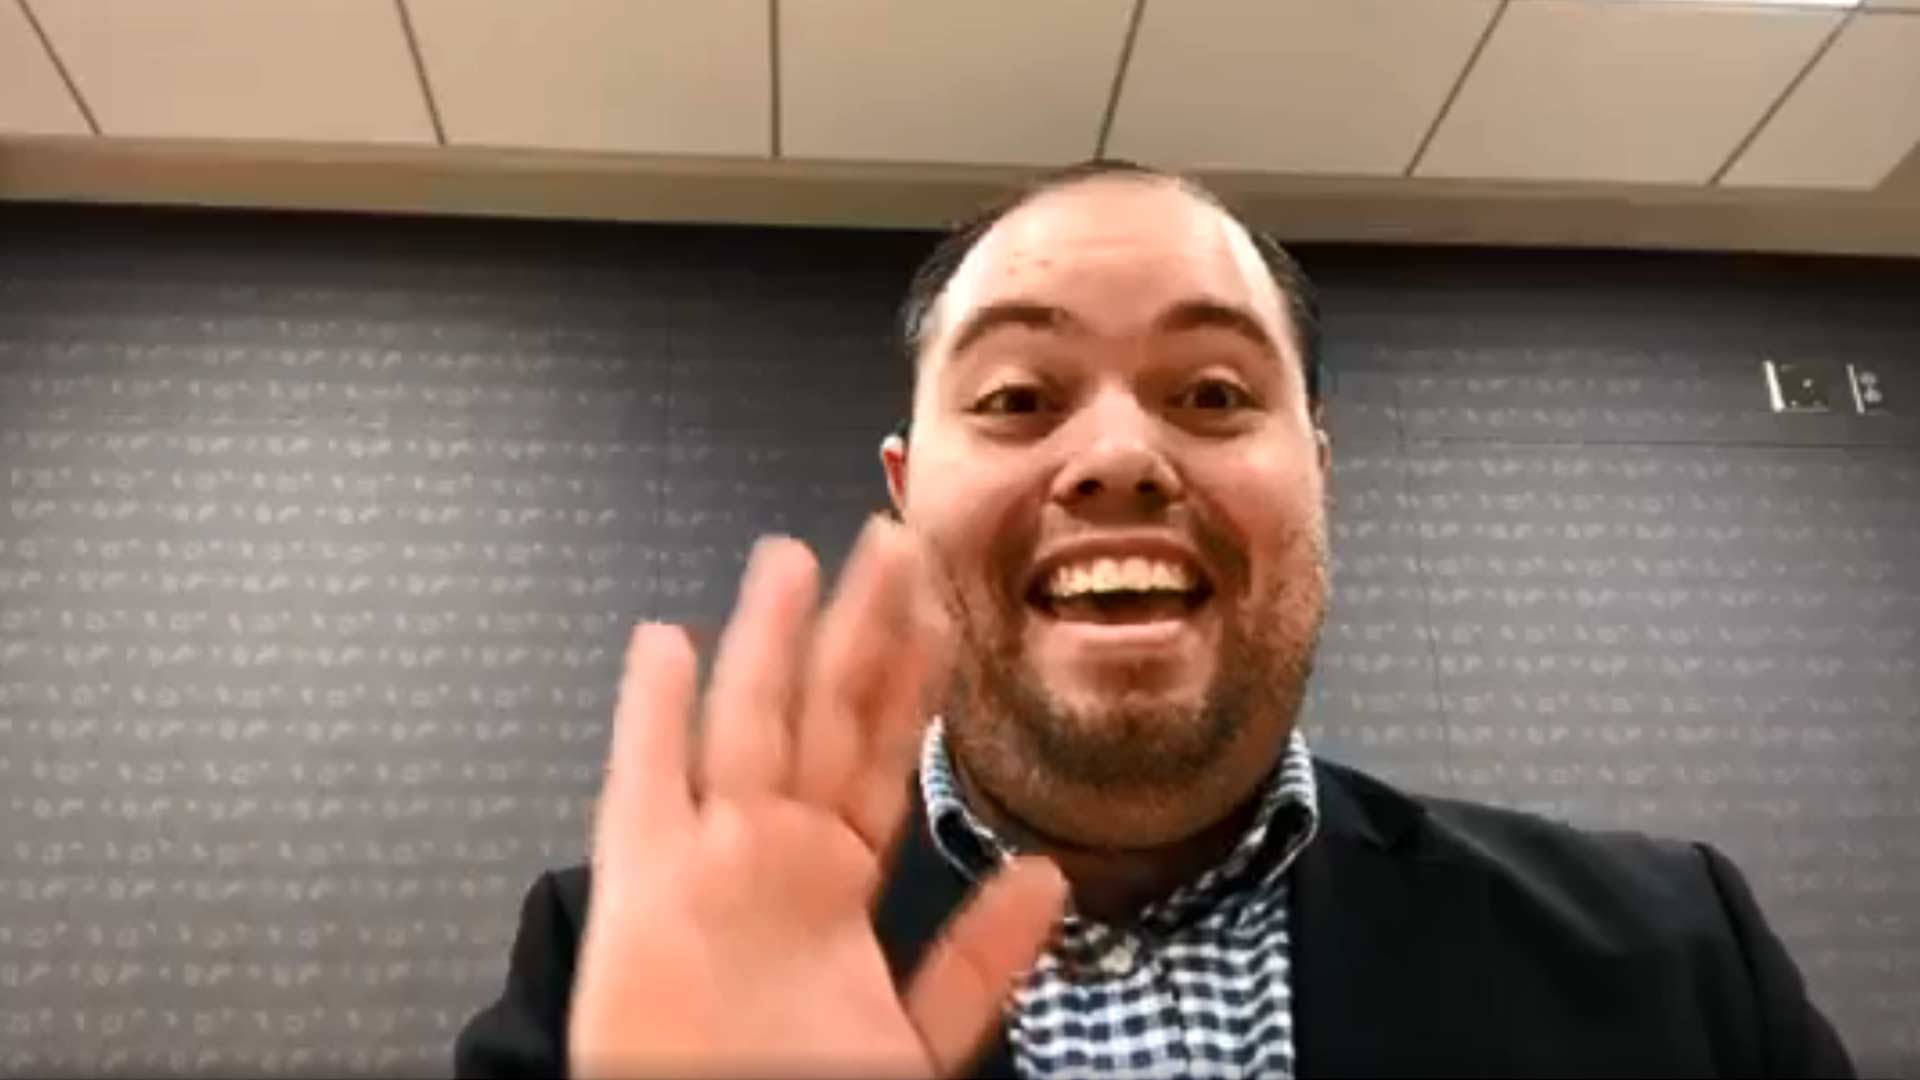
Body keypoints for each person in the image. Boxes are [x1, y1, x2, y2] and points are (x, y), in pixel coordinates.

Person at [454, 161, 1855, 1079]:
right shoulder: (623, 974)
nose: (1120, 457)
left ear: (1318, 472)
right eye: (1018, 398)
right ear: (905, 489)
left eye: (1213, 395)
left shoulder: (1680, 960)